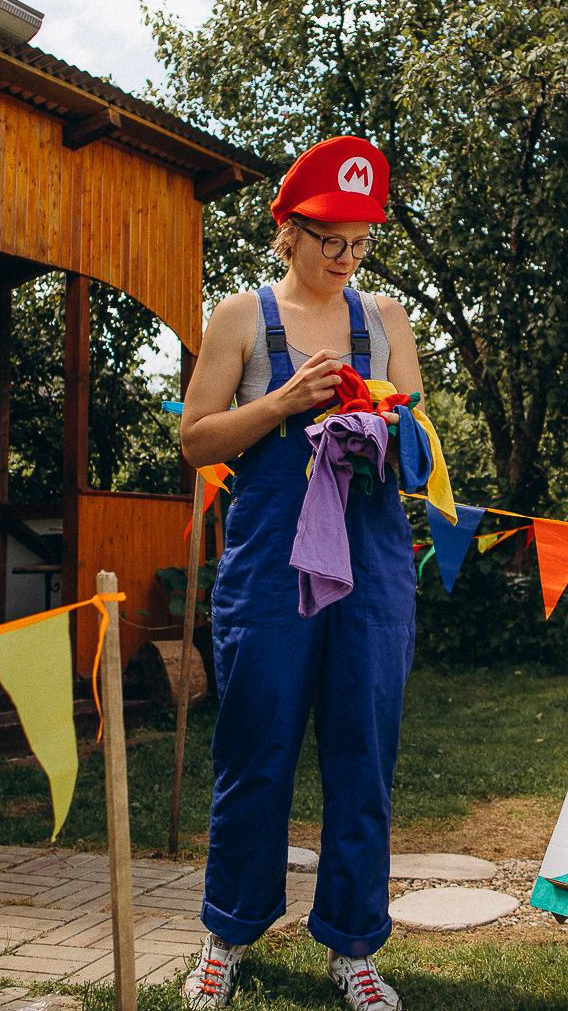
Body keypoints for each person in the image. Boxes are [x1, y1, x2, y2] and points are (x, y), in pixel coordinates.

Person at [177, 136, 422, 1011]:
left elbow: (421, 441)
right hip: (271, 564)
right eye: (329, 240)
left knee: (364, 752)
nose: (345, 258)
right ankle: (228, 933)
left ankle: (352, 946)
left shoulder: (387, 318)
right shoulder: (240, 317)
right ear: (286, 229)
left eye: (359, 242)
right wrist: (282, 403)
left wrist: (377, 418)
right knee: (256, 747)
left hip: (372, 559)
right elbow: (196, 437)